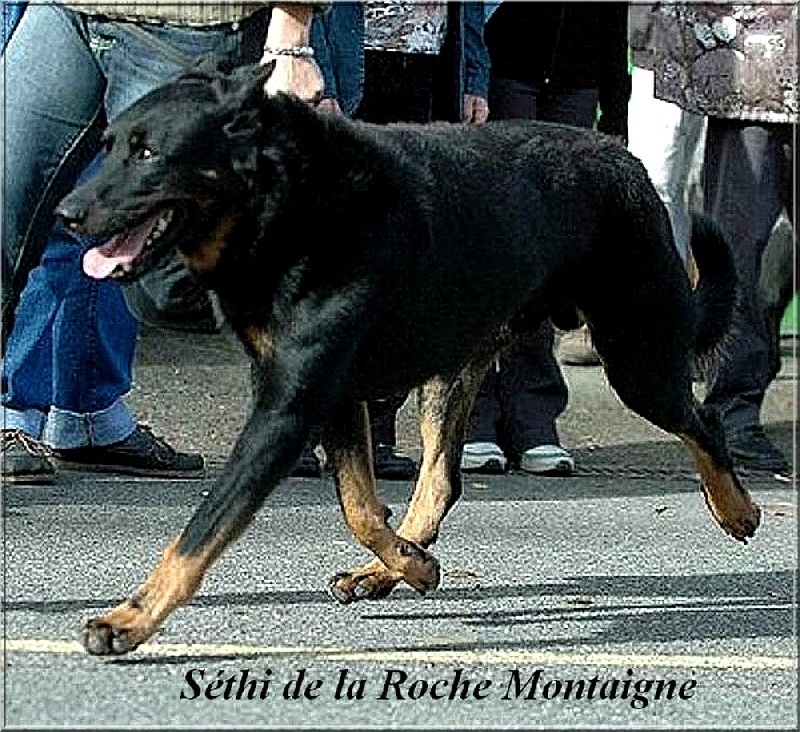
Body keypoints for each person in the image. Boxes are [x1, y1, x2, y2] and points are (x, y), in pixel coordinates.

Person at [1, 3, 327, 483]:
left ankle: (324, 372)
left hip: (192, 22)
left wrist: (290, 39)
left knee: (166, 291)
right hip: (64, 10)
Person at [462, 1, 630, 475]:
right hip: (502, 71)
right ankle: (473, 416)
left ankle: (535, 416)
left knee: (549, 260)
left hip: (578, 83)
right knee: (492, 254)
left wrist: (616, 117)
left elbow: (613, 20)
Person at [651, 3, 796, 472]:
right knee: (737, 251)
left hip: (754, 63)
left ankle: (737, 401)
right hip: (751, 72)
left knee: (742, 249)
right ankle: (733, 408)